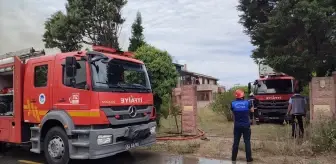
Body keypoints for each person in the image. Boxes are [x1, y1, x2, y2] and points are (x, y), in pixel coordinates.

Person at [231, 89, 254, 163]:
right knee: (247, 142)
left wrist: (235, 122)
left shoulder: (233, 103)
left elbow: (233, 115)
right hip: (246, 125)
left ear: (236, 96)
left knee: (236, 142)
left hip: (237, 126)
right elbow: (252, 111)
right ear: (243, 96)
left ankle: (233, 158)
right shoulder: (248, 103)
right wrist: (251, 119)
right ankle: (249, 158)